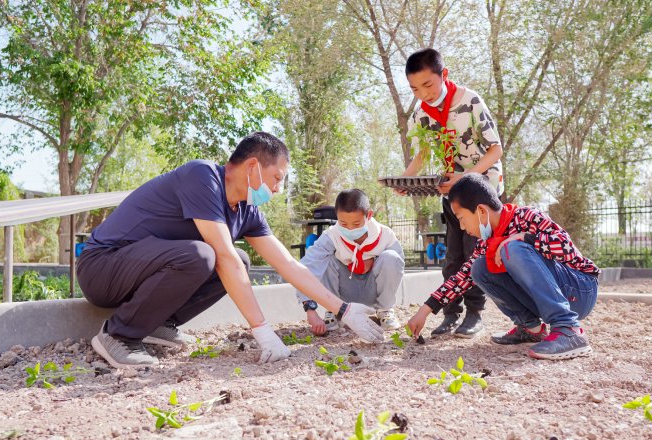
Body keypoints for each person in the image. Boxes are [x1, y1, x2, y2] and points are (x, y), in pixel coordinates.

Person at [77, 132, 384, 369]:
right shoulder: (202, 178)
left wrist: (344, 310)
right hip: (102, 267)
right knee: (206, 256)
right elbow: (221, 256)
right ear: (253, 166)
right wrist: (262, 330)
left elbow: (288, 264)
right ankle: (118, 335)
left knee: (240, 259)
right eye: (277, 178)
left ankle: (157, 323)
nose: (277, 189)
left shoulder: (247, 210)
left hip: (136, 272)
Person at [406, 174, 600, 360]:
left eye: (462, 218)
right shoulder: (486, 241)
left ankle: (569, 330)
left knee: (512, 247)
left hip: (580, 289)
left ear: (481, 211)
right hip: (559, 292)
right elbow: (461, 279)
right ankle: (530, 328)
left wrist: (525, 238)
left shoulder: (526, 216)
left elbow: (566, 248)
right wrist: (424, 312)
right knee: (479, 268)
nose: (463, 227)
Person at [400, 48, 504, 338]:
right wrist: (404, 180)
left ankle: (474, 314)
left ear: (443, 75)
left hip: (480, 191)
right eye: (414, 89)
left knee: (474, 254)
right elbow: (422, 154)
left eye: (428, 85)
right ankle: (450, 314)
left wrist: (467, 175)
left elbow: (496, 149)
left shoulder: (469, 101)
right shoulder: (421, 113)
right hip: (451, 191)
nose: (423, 94)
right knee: (452, 257)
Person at [296, 189, 405, 335]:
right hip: (342, 295)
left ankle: (385, 311)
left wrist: (374, 260)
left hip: (373, 290)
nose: (350, 229)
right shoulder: (332, 236)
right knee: (325, 259)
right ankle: (334, 311)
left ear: (369, 215)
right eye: (344, 223)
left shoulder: (385, 235)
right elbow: (305, 267)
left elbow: (397, 267)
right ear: (337, 216)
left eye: (356, 223)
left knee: (391, 257)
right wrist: (309, 308)